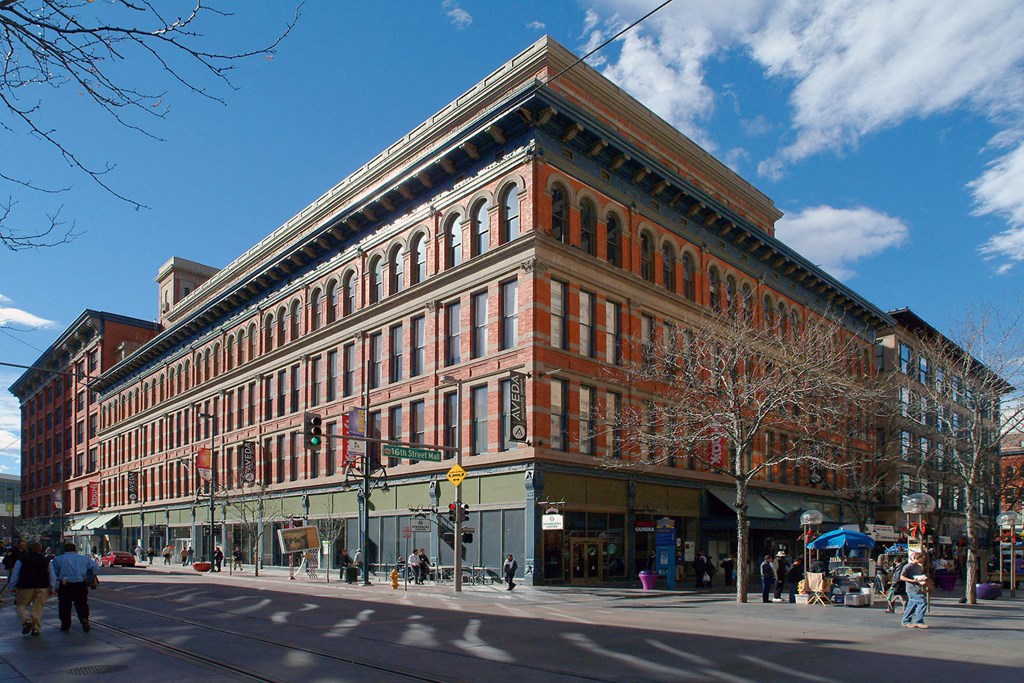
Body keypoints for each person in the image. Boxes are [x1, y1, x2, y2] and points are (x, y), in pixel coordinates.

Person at [50, 542, 100, 633]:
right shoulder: (85, 558)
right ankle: (84, 618)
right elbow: (95, 568)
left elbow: (53, 574)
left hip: (65, 584)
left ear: (64, 550)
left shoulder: (58, 559)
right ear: (75, 550)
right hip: (80, 584)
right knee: (82, 603)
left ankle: (65, 624)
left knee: (64, 605)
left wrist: (53, 587)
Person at [10, 542, 56, 636]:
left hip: (25, 586)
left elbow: (15, 574)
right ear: (40, 549)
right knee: (38, 607)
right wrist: (52, 588)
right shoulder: (46, 560)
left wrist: (12, 586)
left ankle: (26, 620)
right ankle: (35, 628)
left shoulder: (22, 560)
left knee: (21, 605)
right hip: (42, 586)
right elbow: (52, 575)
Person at [900, 551, 930, 629]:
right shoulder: (908, 566)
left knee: (912, 604)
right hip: (911, 588)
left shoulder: (919, 567)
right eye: (923, 558)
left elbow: (918, 577)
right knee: (922, 602)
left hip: (918, 588)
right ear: (917, 558)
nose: (924, 560)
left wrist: (923, 582)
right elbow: (902, 577)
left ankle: (906, 621)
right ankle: (918, 621)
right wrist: (912, 581)